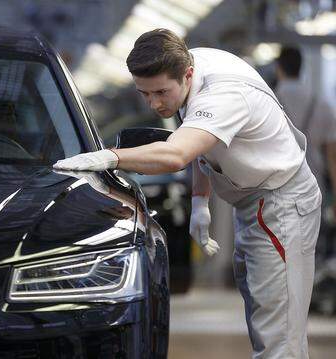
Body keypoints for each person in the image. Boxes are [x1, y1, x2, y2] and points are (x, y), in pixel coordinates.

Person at [54, 28, 321, 359]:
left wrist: (111, 157)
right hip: (257, 200)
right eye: (145, 94)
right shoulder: (188, 64)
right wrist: (199, 201)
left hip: (281, 204)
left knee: (279, 332)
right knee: (267, 315)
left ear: (188, 74)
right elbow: (200, 144)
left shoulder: (224, 96)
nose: (154, 103)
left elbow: (177, 153)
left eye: (161, 93)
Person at [275, 46, 336, 217]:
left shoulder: (269, 101)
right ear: (301, 67)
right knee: (313, 241)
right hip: (314, 186)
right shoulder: (321, 104)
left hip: (278, 188)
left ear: (278, 68)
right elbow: (332, 156)